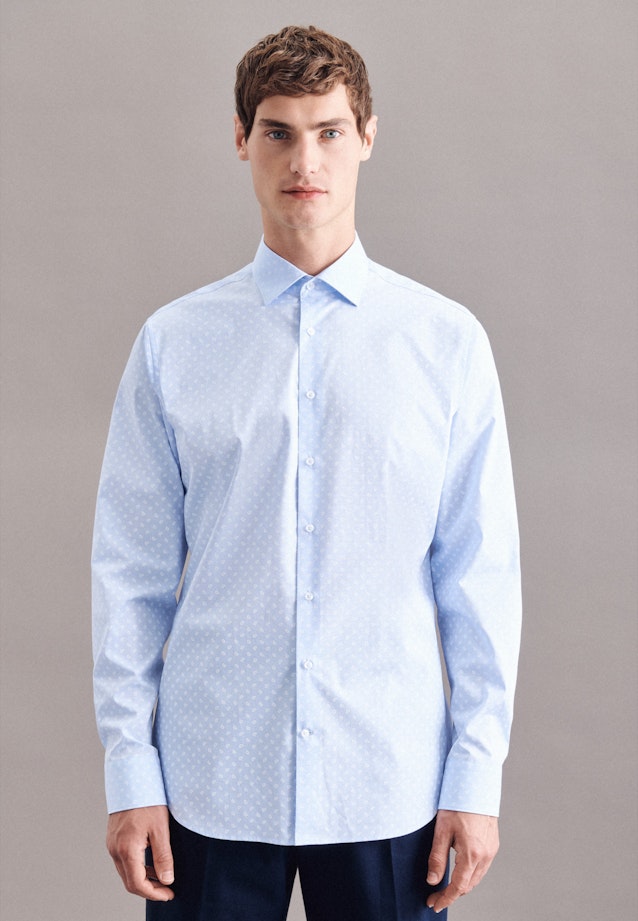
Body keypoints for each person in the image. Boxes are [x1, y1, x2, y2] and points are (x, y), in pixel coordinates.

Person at [92, 24, 521, 920]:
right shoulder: (175, 343)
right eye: (279, 132)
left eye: (329, 131)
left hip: (390, 782)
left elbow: (479, 575)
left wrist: (476, 776)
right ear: (240, 139)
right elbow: (130, 574)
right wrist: (131, 771)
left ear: (367, 136)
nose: (305, 160)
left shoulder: (445, 343)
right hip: (209, 782)